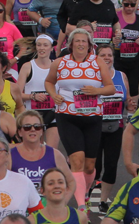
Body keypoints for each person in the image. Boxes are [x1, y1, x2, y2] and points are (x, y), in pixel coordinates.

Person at [44, 28, 115, 213]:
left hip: (92, 117)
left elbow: (110, 88)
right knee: (77, 161)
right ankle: (82, 207)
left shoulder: (97, 62)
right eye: (77, 41)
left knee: (90, 165)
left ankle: (84, 193)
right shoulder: (60, 62)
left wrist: (96, 91)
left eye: (84, 41)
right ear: (71, 44)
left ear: (90, 45)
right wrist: (53, 95)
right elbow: (49, 82)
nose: (81, 44)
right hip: (67, 116)